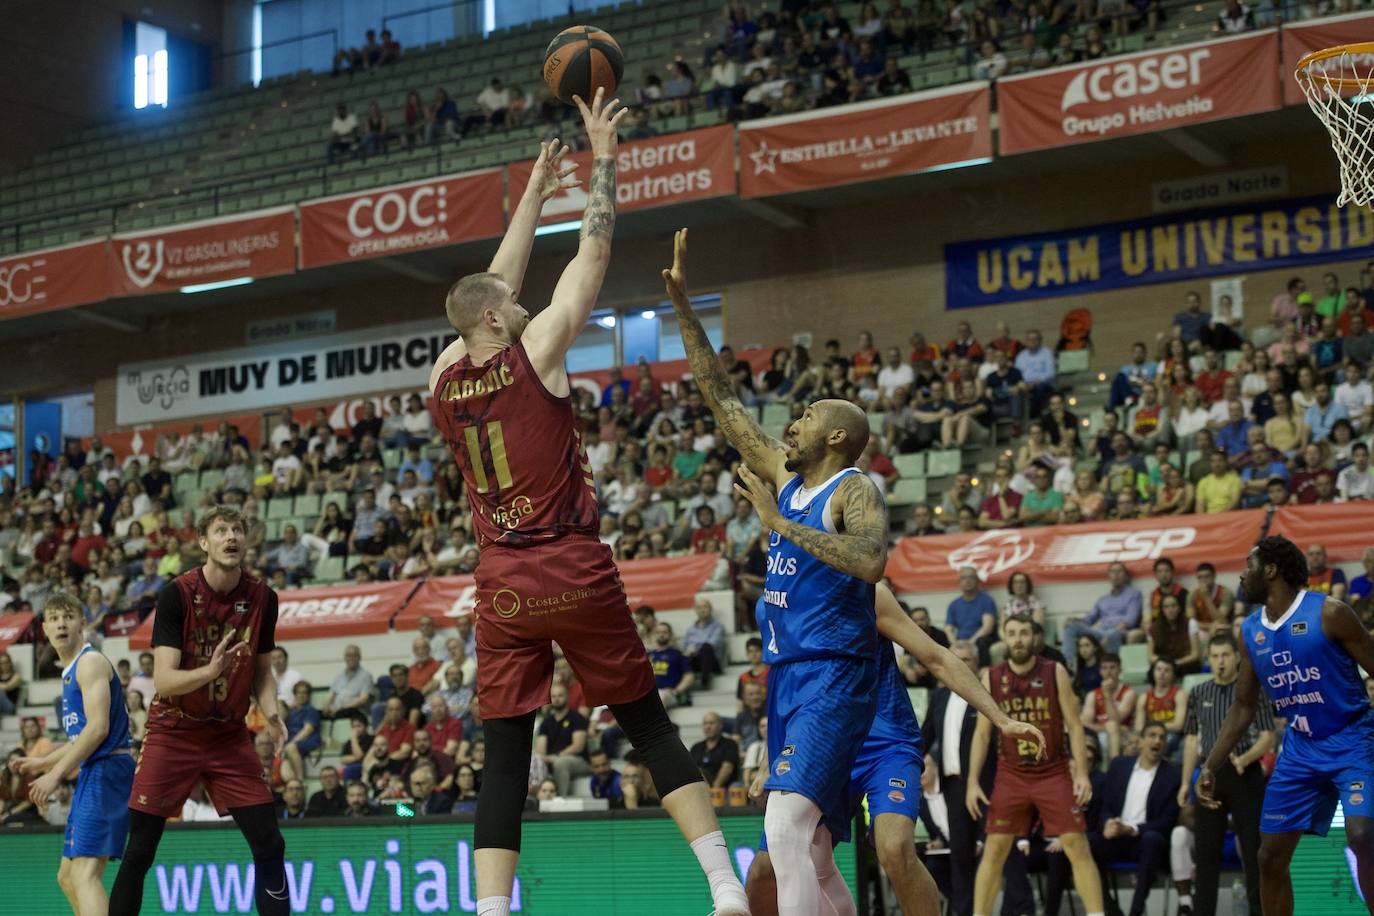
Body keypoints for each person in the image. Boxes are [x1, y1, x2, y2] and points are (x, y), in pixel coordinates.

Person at [427, 96, 747, 916]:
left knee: (503, 758)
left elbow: (489, 291)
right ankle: (724, 886)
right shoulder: (539, 352)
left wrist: (533, 193)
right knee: (647, 725)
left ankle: (492, 913)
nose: (523, 304)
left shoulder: (441, 379)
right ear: (500, 319)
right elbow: (595, 251)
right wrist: (604, 160)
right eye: (511, 305)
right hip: (569, 560)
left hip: (498, 581)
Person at [667, 229, 889, 916]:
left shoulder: (852, 488)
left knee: (783, 828)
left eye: (806, 416)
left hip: (835, 671)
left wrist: (781, 525)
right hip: (788, 676)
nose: (791, 423)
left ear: (834, 438)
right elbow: (722, 400)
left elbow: (872, 560)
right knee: (814, 849)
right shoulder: (783, 476)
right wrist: (682, 306)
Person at [748, 584, 1045, 916]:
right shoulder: (771, 603)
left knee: (894, 847)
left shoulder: (867, 592)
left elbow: (937, 657)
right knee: (764, 871)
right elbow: (784, 686)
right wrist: (767, 760)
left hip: (885, 743)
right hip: (822, 745)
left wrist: (1001, 719)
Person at [108, 505, 289, 916]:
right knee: (139, 850)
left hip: (227, 735)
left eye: (238, 529)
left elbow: (263, 673)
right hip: (174, 730)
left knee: (270, 843)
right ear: (204, 543)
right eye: (221, 530)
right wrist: (212, 670)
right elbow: (166, 681)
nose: (231, 537)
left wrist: (272, 712)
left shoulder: (264, 598)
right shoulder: (177, 594)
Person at [1200, 536, 1374, 916]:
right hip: (1300, 748)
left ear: (1272, 570)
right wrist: (1210, 764)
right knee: (1268, 857)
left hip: (1352, 738)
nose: (1242, 575)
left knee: (1362, 836)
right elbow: (1243, 706)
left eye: (1249, 565)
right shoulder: (1249, 632)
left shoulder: (1330, 613)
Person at [967, 615, 1105, 916]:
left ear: (1035, 637)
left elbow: (1075, 726)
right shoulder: (991, 676)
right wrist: (972, 782)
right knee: (994, 849)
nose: (1018, 639)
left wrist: (1081, 773)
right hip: (1011, 773)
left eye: (1024, 633)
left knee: (1076, 845)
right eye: (1012, 633)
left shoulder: (1054, 671)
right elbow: (981, 734)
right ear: (1004, 638)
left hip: (1052, 771)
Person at [9, 594, 135, 916]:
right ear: (45, 630)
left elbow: (98, 730)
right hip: (95, 771)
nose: (61, 623)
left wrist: (54, 775)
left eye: (68, 616)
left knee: (84, 875)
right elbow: (81, 737)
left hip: (107, 770)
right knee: (66, 877)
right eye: (53, 618)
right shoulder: (71, 672)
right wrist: (42, 762)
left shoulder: (90, 662)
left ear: (82, 622)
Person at [1179, 633, 1274, 916]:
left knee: (1254, 851)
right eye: (1215, 656)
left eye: (1225, 655)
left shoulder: (1253, 690)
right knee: (1206, 853)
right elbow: (1192, 741)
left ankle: (1259, 912)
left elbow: (1268, 737)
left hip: (1245, 773)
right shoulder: (1198, 693)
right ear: (1208, 659)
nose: (1220, 662)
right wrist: (1186, 782)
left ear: (1236, 658)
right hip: (1209, 775)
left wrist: (1244, 759)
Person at [1087, 722, 1182, 916]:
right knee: (1086, 844)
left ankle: (1136, 911)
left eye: (1162, 737)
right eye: (1152, 735)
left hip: (1144, 839)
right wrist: (1107, 823)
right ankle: (1111, 909)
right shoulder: (1119, 765)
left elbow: (1168, 821)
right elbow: (1105, 804)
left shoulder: (1172, 774)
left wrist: (1131, 829)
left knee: (1153, 839)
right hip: (1116, 835)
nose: (1158, 740)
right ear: (1140, 741)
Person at [1061, 562, 1144, 654]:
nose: (1116, 574)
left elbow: (1130, 620)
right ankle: (1068, 665)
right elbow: (1089, 620)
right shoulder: (1103, 599)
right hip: (1101, 632)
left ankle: (1113, 665)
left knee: (1112, 634)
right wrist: (1073, 620)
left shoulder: (1134, 594)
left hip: (1119, 632)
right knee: (1070, 627)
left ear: (1126, 576)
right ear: (1109, 576)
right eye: (1113, 572)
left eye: (1119, 571)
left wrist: (1113, 631)